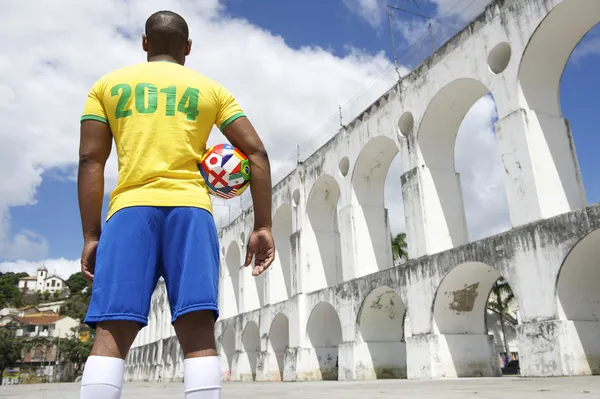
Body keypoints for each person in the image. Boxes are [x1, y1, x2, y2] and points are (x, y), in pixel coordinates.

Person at [77, 10, 275, 399]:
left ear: (145, 42)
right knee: (198, 327)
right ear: (188, 47)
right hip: (191, 211)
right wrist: (262, 225)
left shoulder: (107, 86)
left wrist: (91, 234)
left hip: (130, 211)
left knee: (113, 330)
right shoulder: (212, 90)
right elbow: (257, 153)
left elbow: (90, 161)